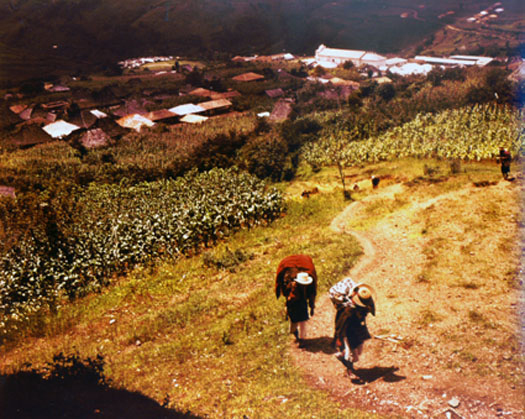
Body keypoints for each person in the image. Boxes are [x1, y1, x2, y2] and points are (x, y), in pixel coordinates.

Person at [329, 278, 375, 367]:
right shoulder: (348, 311)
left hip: (359, 328)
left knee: (359, 350)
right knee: (353, 355)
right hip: (349, 332)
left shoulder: (366, 299)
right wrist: (338, 338)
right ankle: (350, 371)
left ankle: (342, 355)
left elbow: (372, 310)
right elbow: (340, 324)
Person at [275, 254, 317, 343]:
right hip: (296, 305)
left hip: (300, 305)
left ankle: (301, 338)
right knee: (300, 322)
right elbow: (291, 297)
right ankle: (299, 336)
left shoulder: (302, 287)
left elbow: (310, 294)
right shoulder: (294, 287)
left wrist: (311, 306)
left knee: (301, 322)